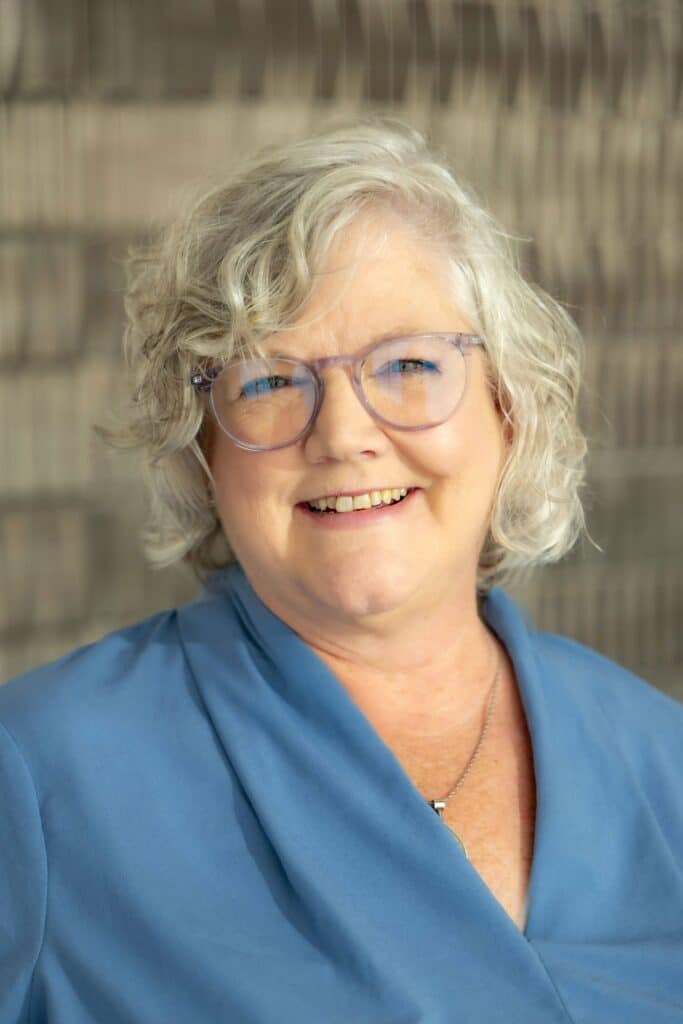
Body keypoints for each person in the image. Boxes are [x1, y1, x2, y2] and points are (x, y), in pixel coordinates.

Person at [1, 114, 681, 1024]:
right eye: (271, 380)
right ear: (203, 452)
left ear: (508, 407)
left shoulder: (663, 761)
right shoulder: (37, 777)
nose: (345, 435)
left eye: (406, 363)